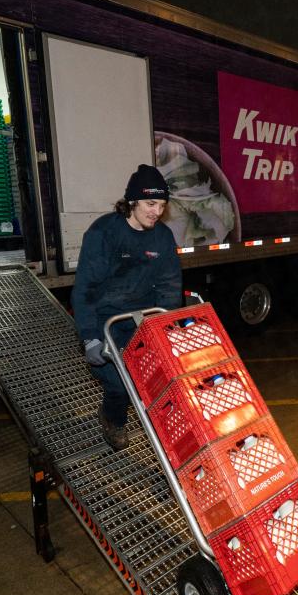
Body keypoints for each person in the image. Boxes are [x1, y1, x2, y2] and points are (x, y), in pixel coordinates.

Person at [72, 164, 182, 450]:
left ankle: (171, 440)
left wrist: (167, 328)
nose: (156, 212)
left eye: (161, 205)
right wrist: (89, 337)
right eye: (150, 203)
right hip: (104, 321)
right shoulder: (104, 233)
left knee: (156, 383)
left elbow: (170, 287)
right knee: (120, 386)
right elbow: (85, 288)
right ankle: (113, 419)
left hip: (141, 319)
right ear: (132, 201)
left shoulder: (162, 237)